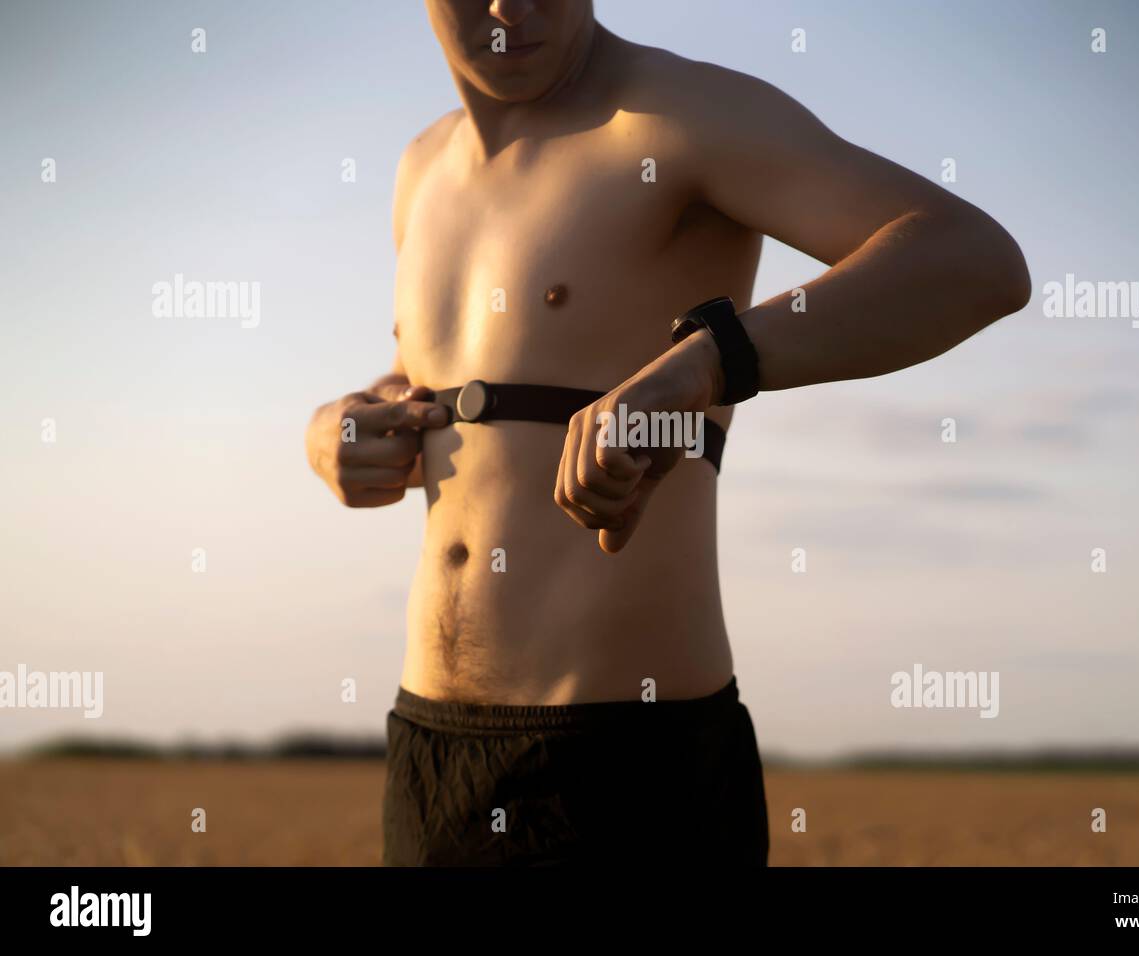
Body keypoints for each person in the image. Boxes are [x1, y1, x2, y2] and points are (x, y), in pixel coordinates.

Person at [305, 0, 1030, 866]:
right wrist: (337, 428)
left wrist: (709, 361)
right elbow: (435, 380)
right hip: (429, 751)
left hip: (630, 772)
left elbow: (973, 257)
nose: (510, 8)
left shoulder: (683, 113)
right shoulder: (420, 167)